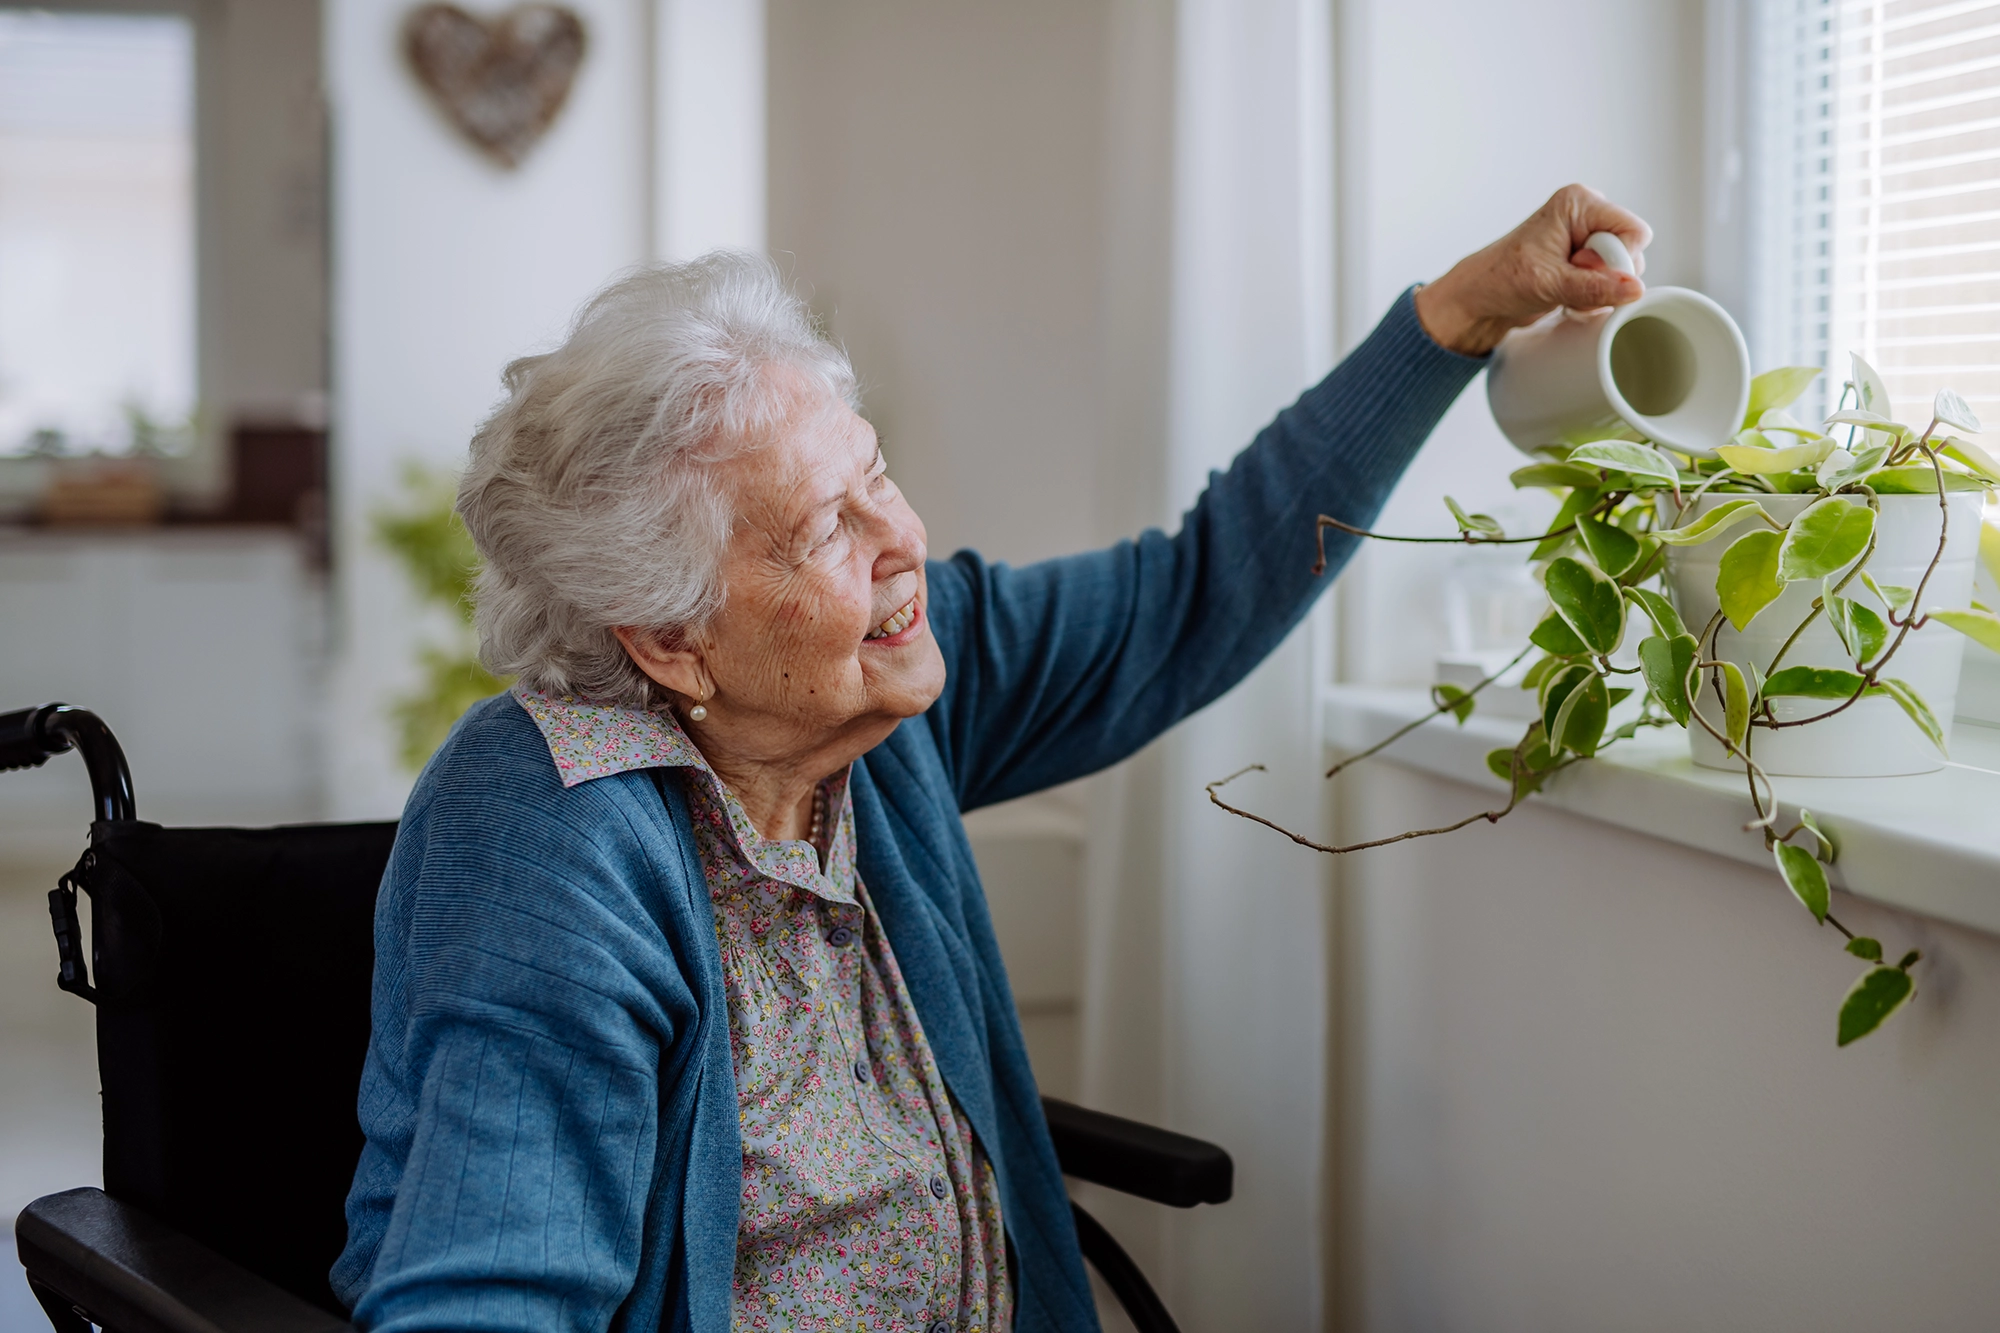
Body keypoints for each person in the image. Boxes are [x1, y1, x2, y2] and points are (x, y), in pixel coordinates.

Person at [333, 185, 1651, 1333]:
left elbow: (1192, 597)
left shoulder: (880, 683)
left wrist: (1462, 318)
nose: (899, 540)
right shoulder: (552, 838)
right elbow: (488, 1298)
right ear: (673, 640)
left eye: (878, 476)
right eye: (819, 533)